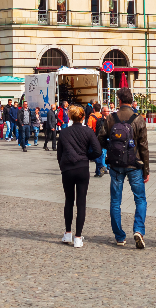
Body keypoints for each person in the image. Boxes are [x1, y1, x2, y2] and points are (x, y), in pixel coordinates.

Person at [97, 87, 149, 249]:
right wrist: (146, 170)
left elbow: (100, 138)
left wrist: (111, 148)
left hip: (116, 165)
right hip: (134, 165)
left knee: (115, 201)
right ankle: (138, 230)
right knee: (140, 199)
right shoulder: (138, 119)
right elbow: (144, 146)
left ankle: (119, 236)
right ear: (131, 100)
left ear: (119, 101)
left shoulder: (111, 118)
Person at [56, 105, 101, 248]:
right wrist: (87, 157)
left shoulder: (64, 132)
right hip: (82, 167)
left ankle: (68, 232)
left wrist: (62, 166)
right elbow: (98, 150)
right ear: (83, 117)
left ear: (69, 117)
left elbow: (59, 153)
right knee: (81, 201)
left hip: (68, 168)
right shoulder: (87, 131)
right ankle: (78, 237)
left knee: (69, 200)